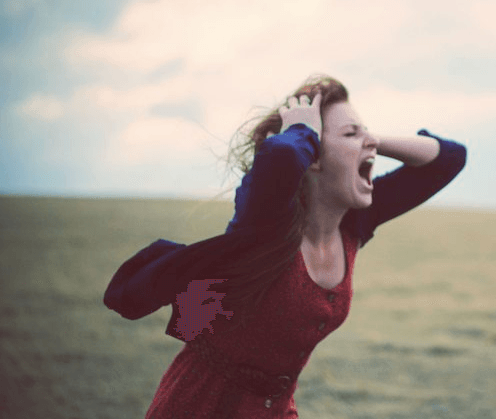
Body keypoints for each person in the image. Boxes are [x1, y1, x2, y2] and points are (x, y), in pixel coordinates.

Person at [103, 75, 467, 418]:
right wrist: (304, 130)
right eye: (350, 133)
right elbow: (279, 160)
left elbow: (449, 159)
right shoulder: (266, 221)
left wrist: (369, 140)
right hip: (201, 406)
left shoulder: (352, 224)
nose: (367, 141)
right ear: (312, 159)